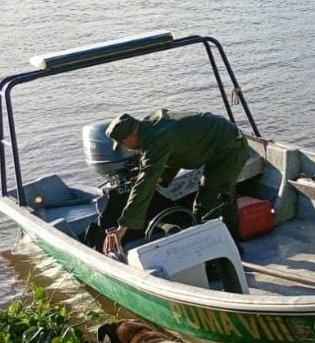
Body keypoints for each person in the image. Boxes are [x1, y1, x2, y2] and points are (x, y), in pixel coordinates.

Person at [101, 109, 249, 256]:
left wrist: (123, 227)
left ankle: (213, 257)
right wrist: (160, 178)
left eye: (123, 145)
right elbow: (176, 151)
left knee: (205, 206)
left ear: (128, 139)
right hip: (222, 141)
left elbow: (146, 182)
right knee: (224, 195)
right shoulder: (151, 123)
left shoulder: (156, 140)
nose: (127, 148)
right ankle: (233, 244)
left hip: (229, 149)